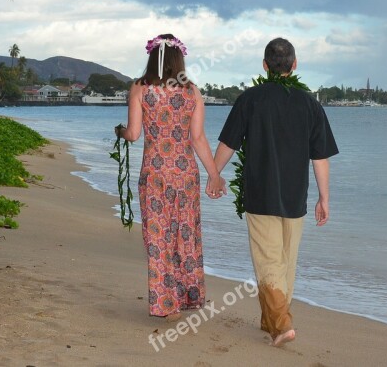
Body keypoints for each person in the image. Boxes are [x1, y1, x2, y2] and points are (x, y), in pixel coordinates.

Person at [210, 37, 338, 346]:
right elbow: (319, 156)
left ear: (265, 66)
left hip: (260, 194)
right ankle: (272, 321)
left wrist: (215, 175)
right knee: (285, 261)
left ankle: (281, 324)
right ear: (295, 65)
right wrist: (324, 197)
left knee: (269, 261)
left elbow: (229, 143)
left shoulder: (250, 99)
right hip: (296, 198)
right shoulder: (311, 104)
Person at [117, 34, 226, 321]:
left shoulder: (140, 88)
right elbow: (198, 138)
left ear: (152, 56)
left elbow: (134, 134)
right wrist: (214, 175)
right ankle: (188, 297)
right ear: (180, 59)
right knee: (185, 236)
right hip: (186, 175)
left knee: (158, 237)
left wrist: (120, 131)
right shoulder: (192, 92)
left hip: (154, 174)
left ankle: (165, 304)